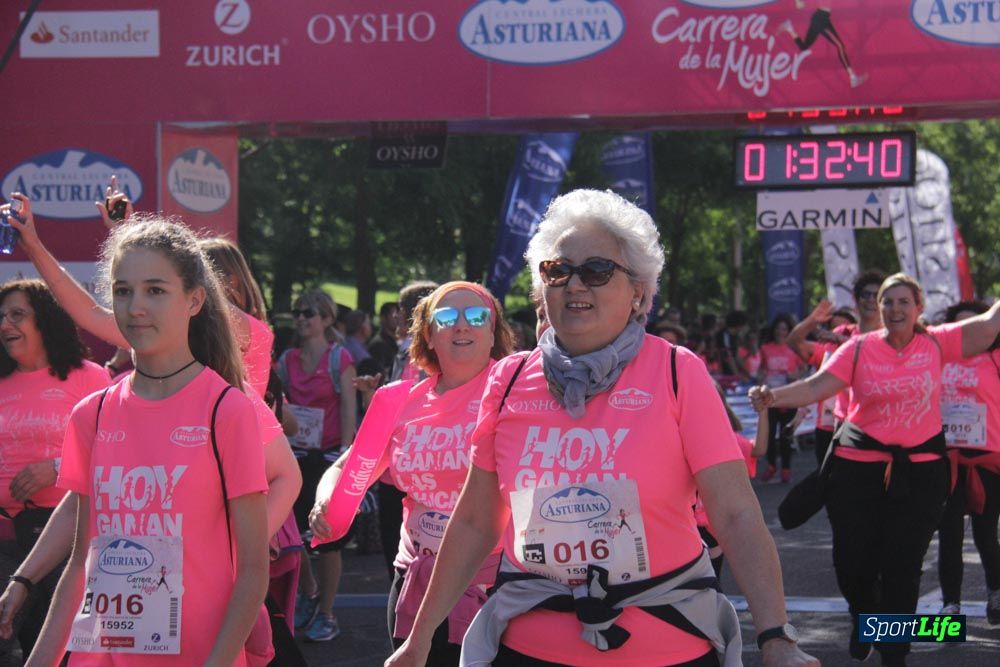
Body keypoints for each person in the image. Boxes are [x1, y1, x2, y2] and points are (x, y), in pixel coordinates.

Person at [387, 189, 816, 667]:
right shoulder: (507, 381)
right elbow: (473, 522)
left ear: (638, 293)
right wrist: (419, 639)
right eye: (558, 270)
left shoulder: (677, 372)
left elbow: (735, 513)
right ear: (541, 288)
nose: (575, 285)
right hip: (529, 648)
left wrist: (778, 636)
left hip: (665, 647)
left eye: (596, 271)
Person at [25, 212, 271, 666]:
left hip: (199, 654)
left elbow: (254, 570)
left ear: (194, 300)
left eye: (155, 290)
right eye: (123, 291)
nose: (135, 306)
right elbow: (82, 563)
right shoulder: (91, 416)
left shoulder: (227, 411)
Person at [750, 273, 1000, 665]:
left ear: (918, 307)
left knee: (903, 565)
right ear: (879, 308)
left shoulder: (937, 341)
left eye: (903, 302)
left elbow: (989, 326)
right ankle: (865, 617)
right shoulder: (858, 347)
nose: (895, 309)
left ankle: (893, 652)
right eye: (888, 301)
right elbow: (816, 388)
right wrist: (771, 396)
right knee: (853, 564)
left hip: (920, 473)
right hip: (858, 470)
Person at [310, 281, 515, 664]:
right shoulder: (400, 401)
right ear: (428, 335)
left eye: (475, 317)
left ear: (493, 334)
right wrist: (326, 501)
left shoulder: (516, 396)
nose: (462, 326)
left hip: (493, 583)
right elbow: (345, 467)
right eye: (446, 318)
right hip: (415, 577)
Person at [0, 279, 111, 663]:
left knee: (67, 648)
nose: (5, 325)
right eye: (1, 317)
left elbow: (115, 451)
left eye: (17, 315)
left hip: (73, 538)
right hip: (6, 542)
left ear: (46, 320)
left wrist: (58, 469)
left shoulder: (90, 377)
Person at [276, 289, 356, 642]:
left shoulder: (340, 359)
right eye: (297, 312)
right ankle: (309, 590)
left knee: (327, 539)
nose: (301, 319)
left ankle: (327, 613)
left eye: (309, 313)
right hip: (293, 456)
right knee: (288, 531)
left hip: (327, 459)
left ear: (326, 319)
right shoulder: (286, 360)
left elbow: (349, 414)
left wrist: (345, 459)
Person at [935, 301, 1000, 622]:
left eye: (975, 326)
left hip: (987, 460)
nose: (969, 333)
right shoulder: (936, 357)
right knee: (949, 534)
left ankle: (996, 594)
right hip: (945, 461)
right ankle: (951, 605)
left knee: (986, 532)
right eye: (961, 328)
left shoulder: (996, 358)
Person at [786, 272, 885, 466]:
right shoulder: (842, 333)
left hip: (870, 426)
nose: (871, 300)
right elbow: (794, 342)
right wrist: (812, 321)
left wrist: (844, 342)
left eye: (877, 295)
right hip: (829, 425)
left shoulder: (889, 337)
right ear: (856, 300)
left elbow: (878, 357)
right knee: (826, 488)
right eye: (866, 295)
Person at [693, 384, 769, 582]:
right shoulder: (682, 437)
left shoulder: (727, 439)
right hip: (690, 526)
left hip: (711, 527)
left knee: (709, 584)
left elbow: (758, 449)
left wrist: (763, 413)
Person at [758, 314, 805, 483]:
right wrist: (760, 377)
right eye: (778, 329)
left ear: (789, 331)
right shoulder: (766, 348)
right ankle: (771, 465)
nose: (780, 332)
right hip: (769, 397)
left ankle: (786, 468)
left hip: (788, 396)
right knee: (769, 434)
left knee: (786, 434)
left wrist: (795, 376)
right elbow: (761, 370)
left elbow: (803, 369)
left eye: (784, 329)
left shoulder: (794, 349)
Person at [367, 302, 400, 379]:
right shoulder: (378, 345)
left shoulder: (397, 342)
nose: (398, 318)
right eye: (394, 316)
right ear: (383, 318)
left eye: (399, 315)